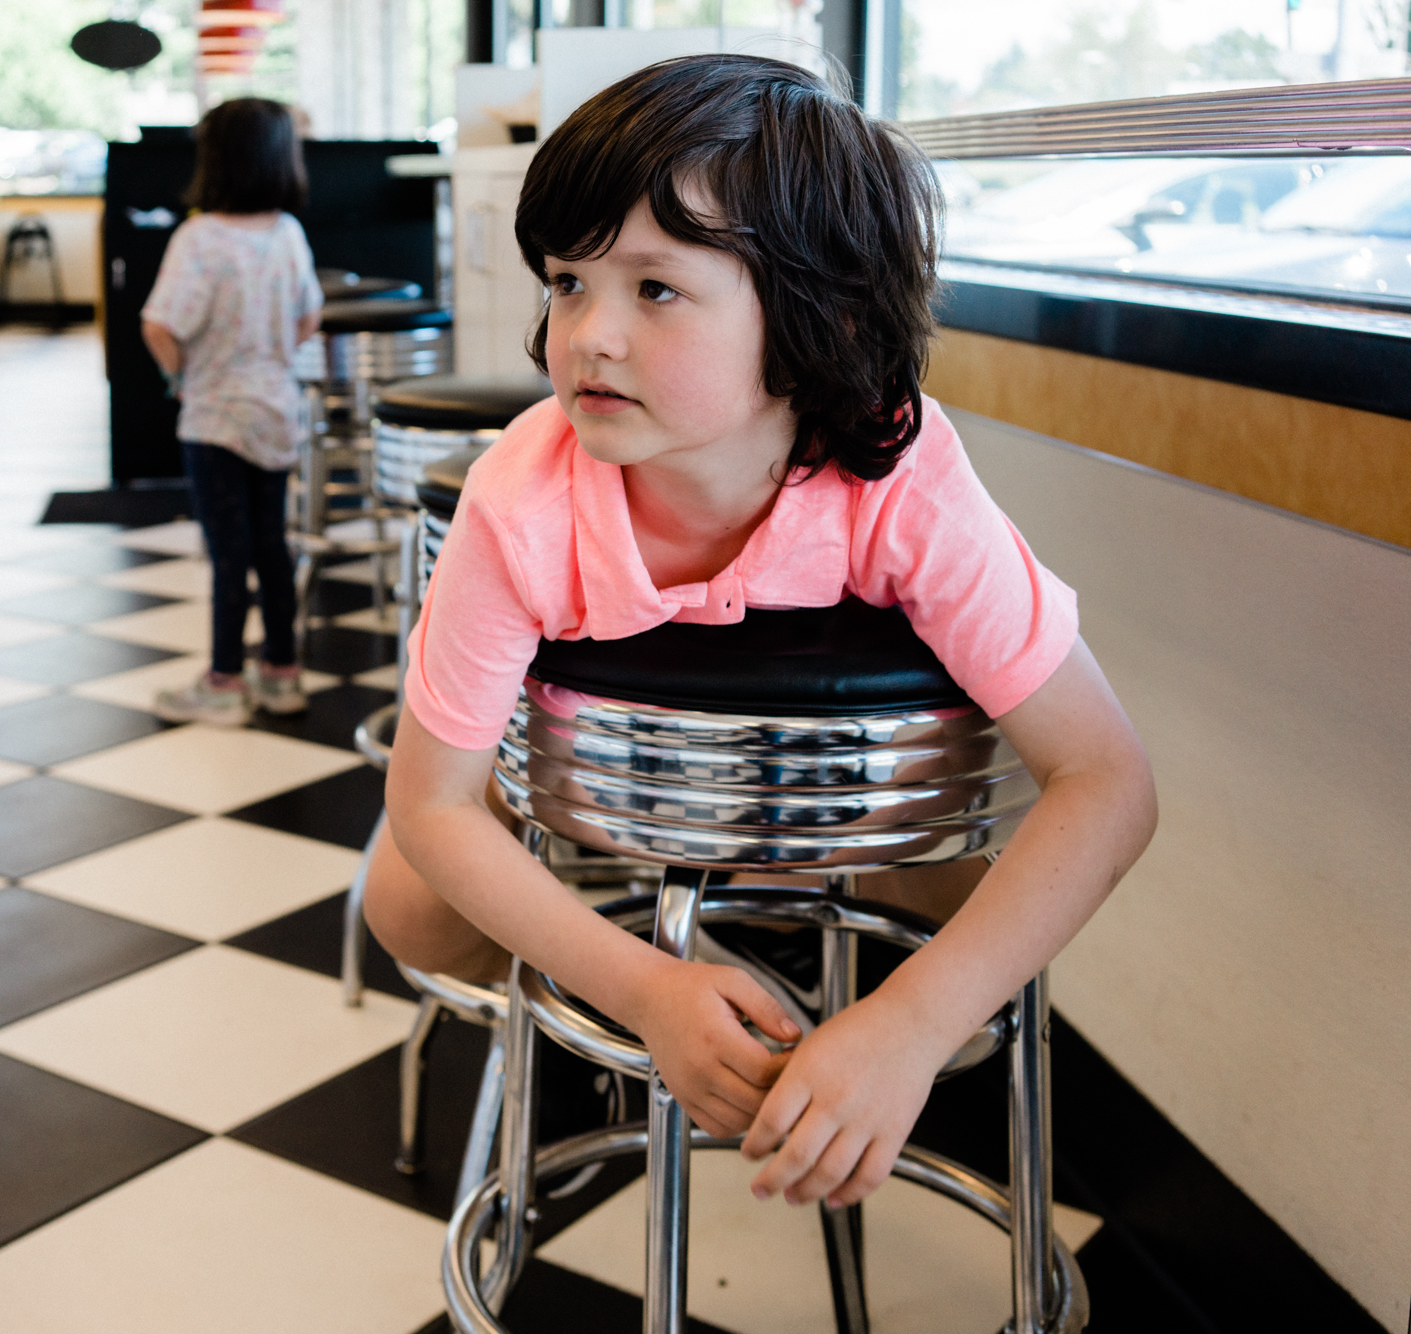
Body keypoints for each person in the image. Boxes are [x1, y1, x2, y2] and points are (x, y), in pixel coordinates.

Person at [369, 55, 1158, 1211]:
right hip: (576, 775)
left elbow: (1105, 778)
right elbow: (429, 802)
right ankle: (629, 1016)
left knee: (956, 887)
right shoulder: (520, 496)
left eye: (653, 289)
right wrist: (636, 986)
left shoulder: (897, 477)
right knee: (404, 902)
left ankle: (801, 1006)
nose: (584, 335)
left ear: (816, 313)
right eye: (569, 282)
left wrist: (909, 1022)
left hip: (814, 809)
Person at [141, 98, 323, 724]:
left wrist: (179, 377)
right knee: (272, 545)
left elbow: (160, 324)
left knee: (228, 553)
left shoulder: (200, 237)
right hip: (276, 410)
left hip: (215, 417)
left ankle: (222, 680)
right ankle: (282, 672)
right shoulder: (288, 234)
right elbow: (308, 318)